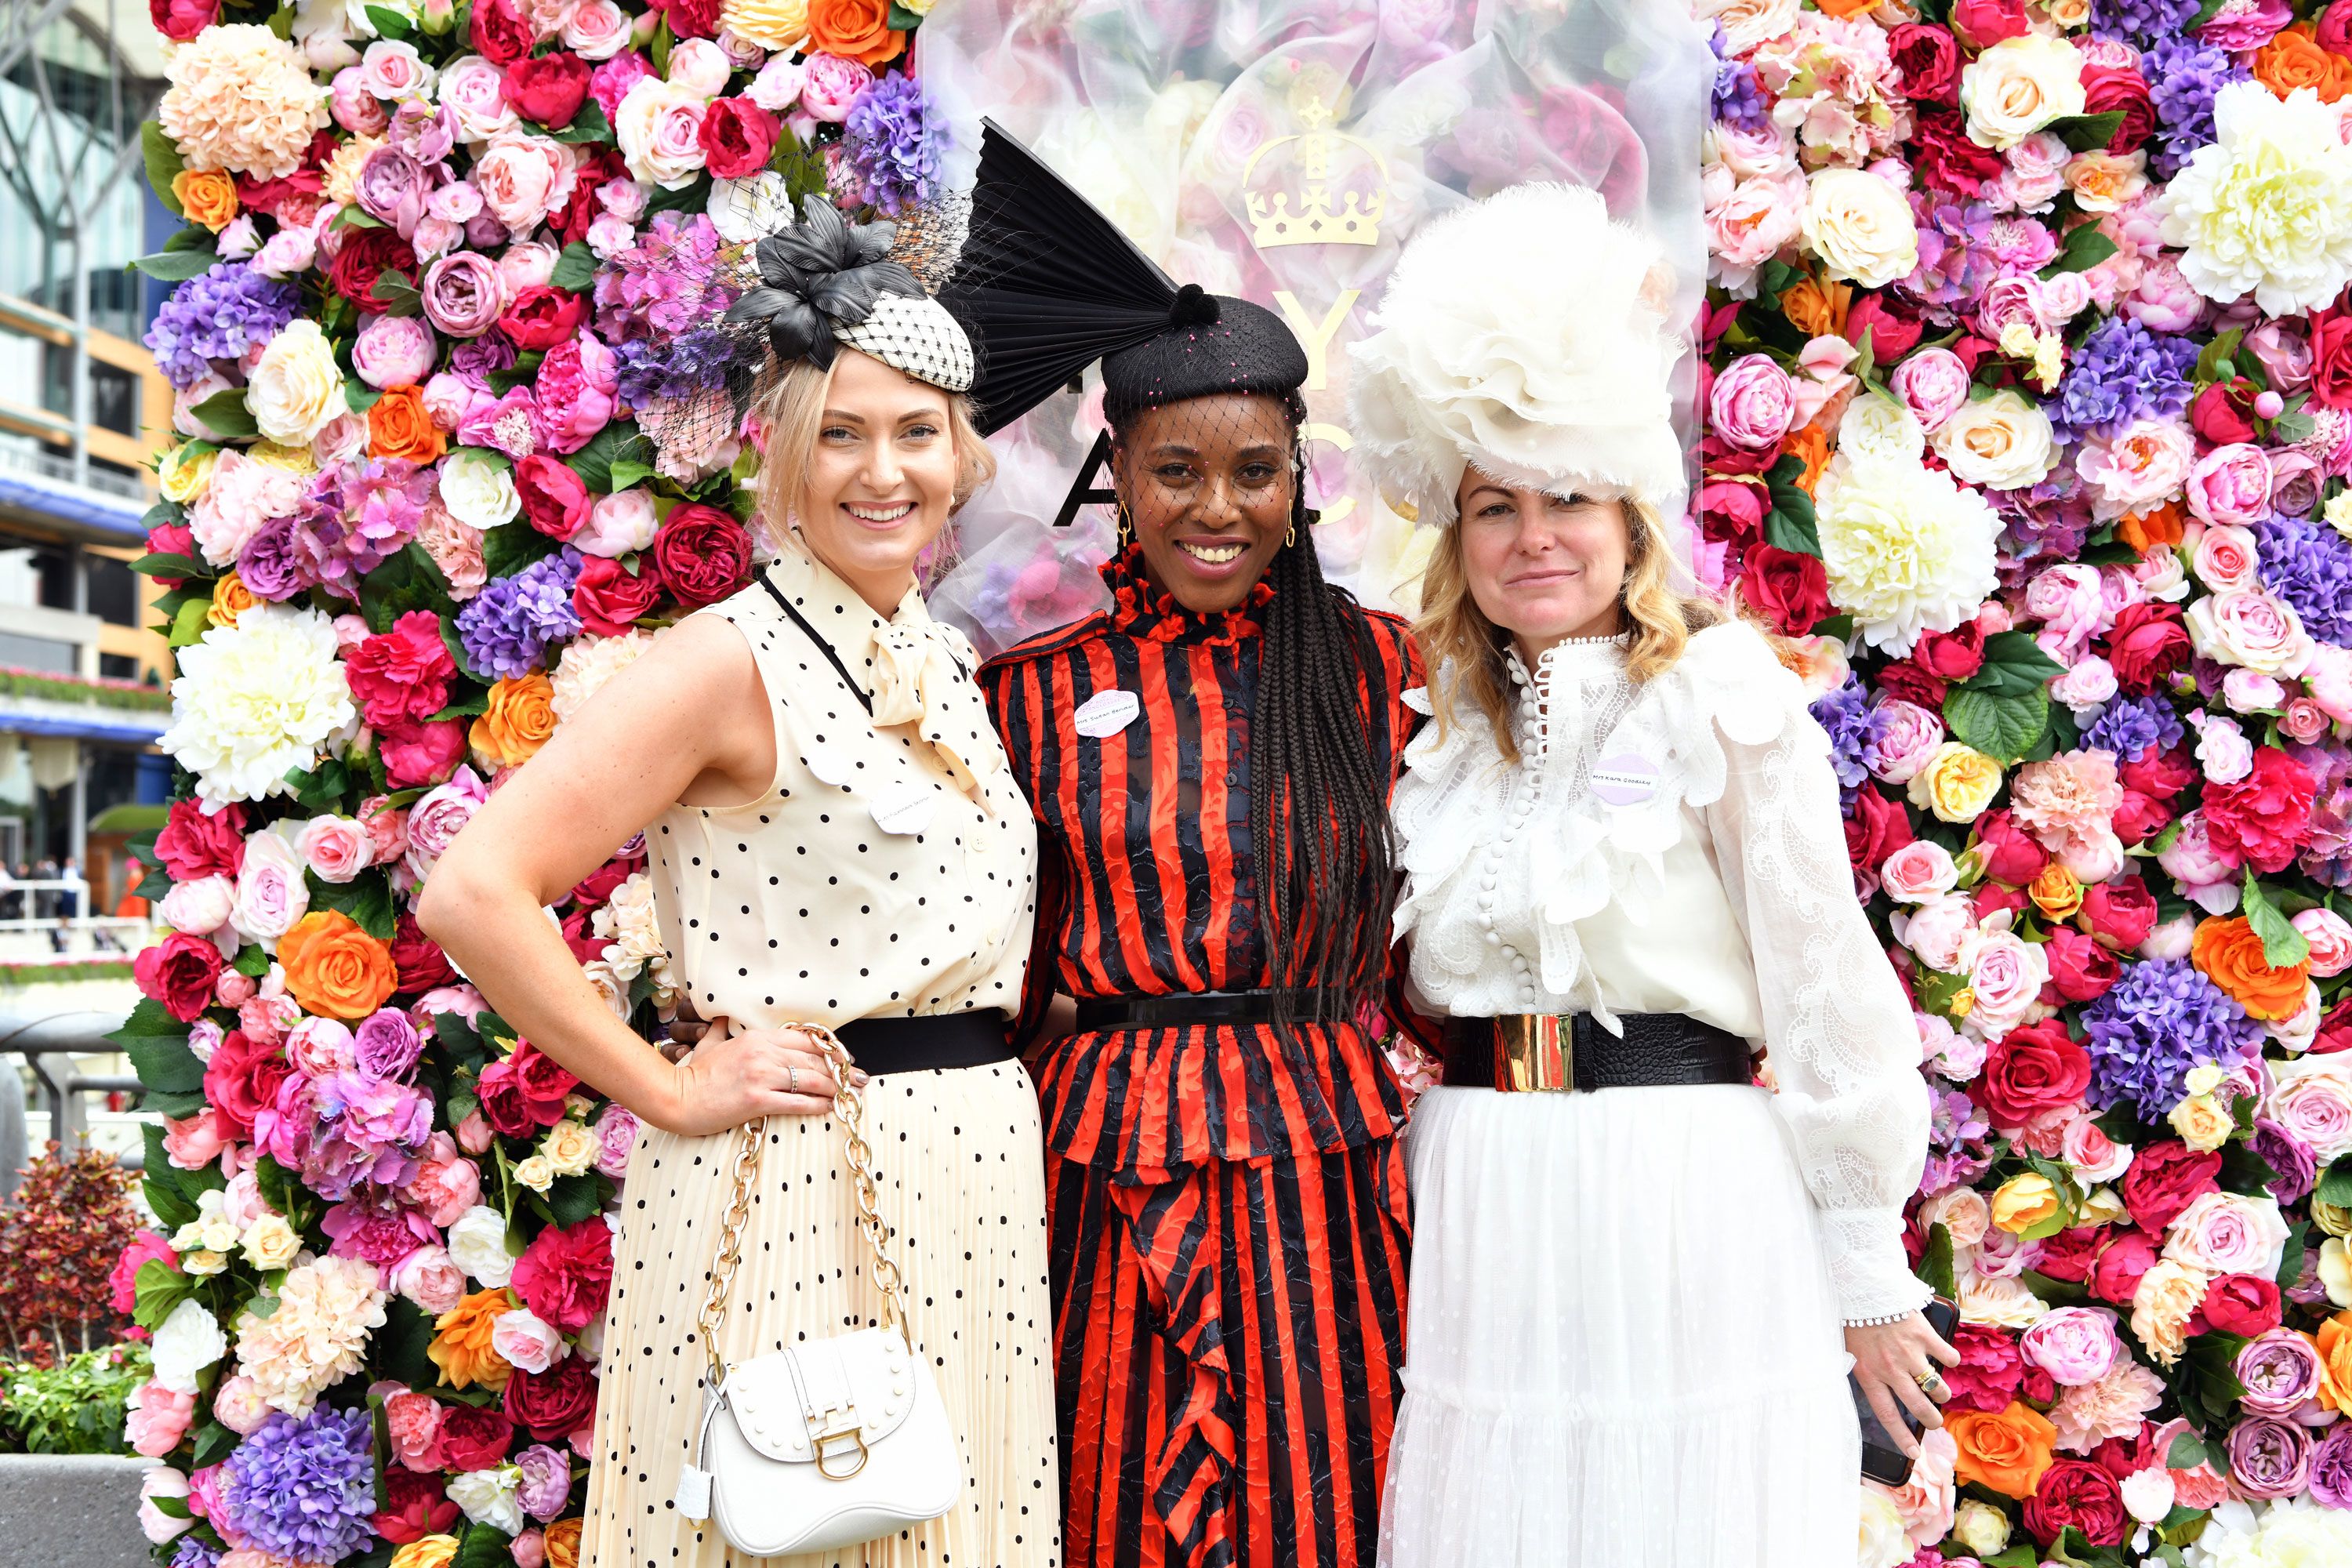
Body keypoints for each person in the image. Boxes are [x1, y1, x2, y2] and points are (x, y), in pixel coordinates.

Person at [419, 194, 1060, 1568]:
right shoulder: (727, 659)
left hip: (969, 1180)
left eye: (914, 431)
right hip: (796, 1184)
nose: (880, 470)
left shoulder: (939, 656)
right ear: (782, 453)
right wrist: (662, 1086)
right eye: (841, 431)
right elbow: (472, 890)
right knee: (801, 1535)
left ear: (962, 456)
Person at [1349, 185, 1955, 1566]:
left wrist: (1864, 1262)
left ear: (1632, 521)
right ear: (1458, 540)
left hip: (1685, 1184)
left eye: (1570, 498)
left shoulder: (1718, 692)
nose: (1534, 537)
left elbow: (1820, 976)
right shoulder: (1439, 728)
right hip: (1486, 1184)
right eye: (1494, 508)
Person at [943, 125, 1425, 1568]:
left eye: (1255, 472)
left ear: (1299, 480)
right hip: (1102, 1151)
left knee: (1333, 1493)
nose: (1218, 510)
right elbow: (998, 966)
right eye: (1176, 471)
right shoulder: (1022, 695)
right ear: (1119, 475)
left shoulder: (1381, 671)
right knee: (1106, 1494)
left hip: (1326, 1149)